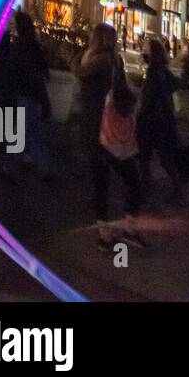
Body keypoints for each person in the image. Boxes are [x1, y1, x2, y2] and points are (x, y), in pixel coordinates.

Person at [78, 23, 146, 249]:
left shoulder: (85, 62)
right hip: (111, 130)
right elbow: (121, 95)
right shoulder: (112, 63)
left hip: (91, 130)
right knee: (133, 179)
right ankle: (129, 227)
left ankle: (104, 234)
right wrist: (136, 99)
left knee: (100, 183)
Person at [0, 11, 55, 180]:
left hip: (25, 94)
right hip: (31, 95)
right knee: (32, 132)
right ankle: (43, 166)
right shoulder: (32, 46)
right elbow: (42, 73)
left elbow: (25, 74)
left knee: (22, 133)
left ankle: (12, 167)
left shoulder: (21, 47)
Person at [137, 38, 184, 206]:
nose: (143, 50)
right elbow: (175, 85)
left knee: (144, 157)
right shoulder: (163, 70)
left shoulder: (153, 72)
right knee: (165, 157)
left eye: (146, 48)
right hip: (164, 120)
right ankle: (178, 192)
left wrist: (140, 115)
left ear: (152, 53)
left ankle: (147, 190)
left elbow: (148, 98)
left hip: (151, 121)